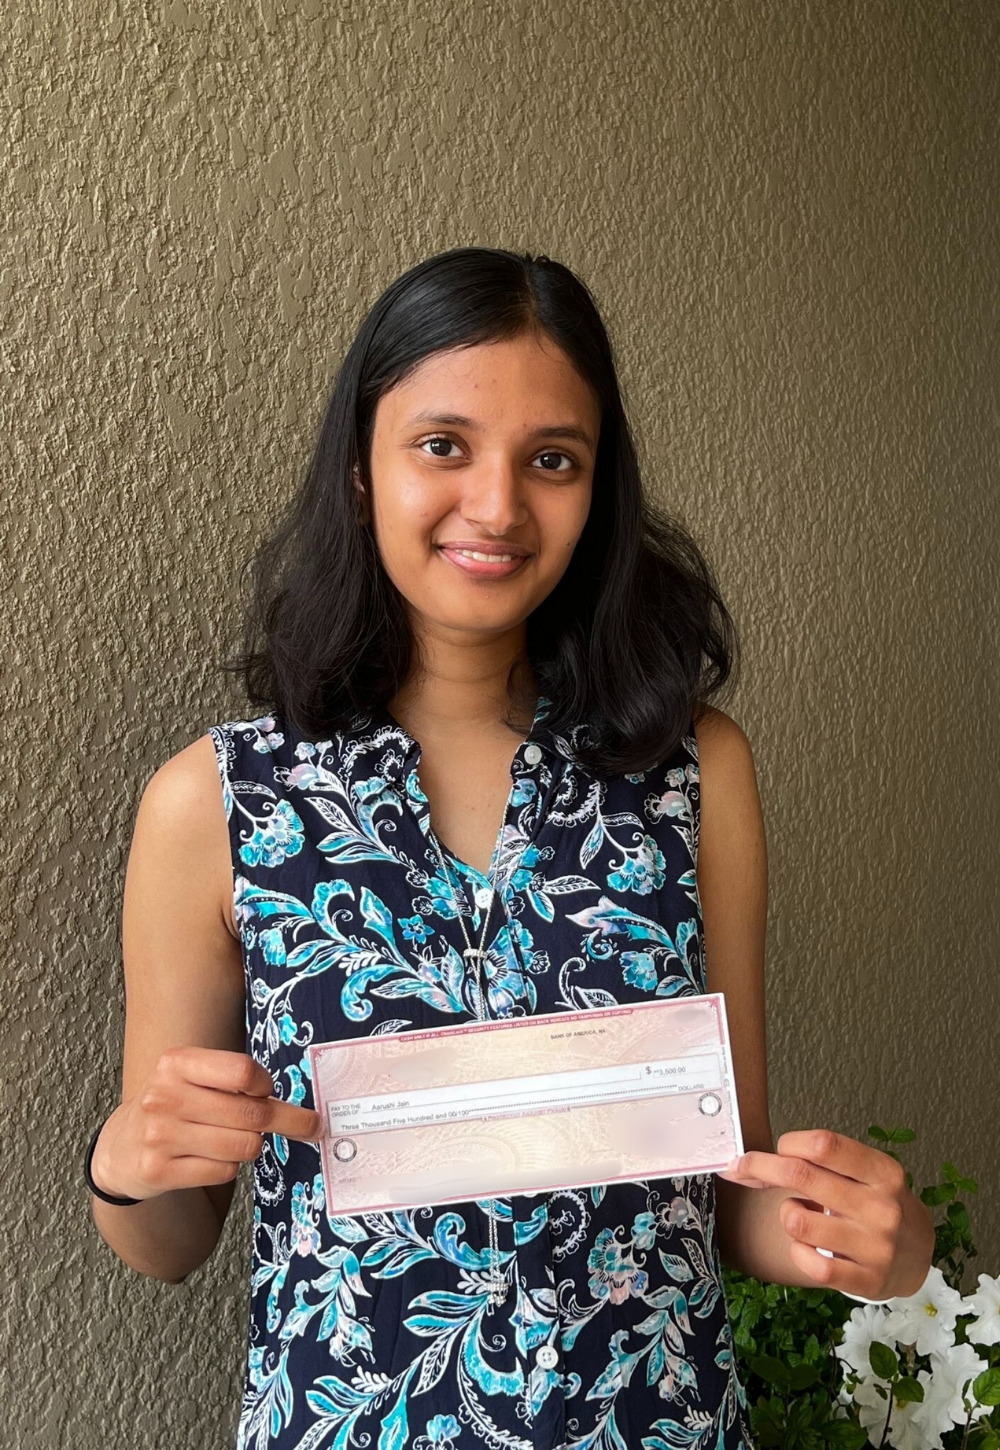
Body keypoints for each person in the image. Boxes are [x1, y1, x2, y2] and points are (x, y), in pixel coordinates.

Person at [86, 247, 933, 1450]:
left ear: (598, 493)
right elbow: (169, 1242)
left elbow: (717, 1171)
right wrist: (130, 1156)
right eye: (443, 445)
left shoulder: (693, 772)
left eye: (552, 460)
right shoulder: (214, 804)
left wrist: (853, 1242)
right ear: (359, 468)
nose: (496, 506)